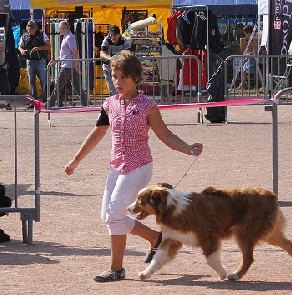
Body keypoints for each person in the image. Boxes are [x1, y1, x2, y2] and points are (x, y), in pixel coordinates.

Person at [64, 51, 203, 282]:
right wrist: (76, 160)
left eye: (123, 77)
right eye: (114, 76)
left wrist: (188, 148)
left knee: (113, 214)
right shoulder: (109, 104)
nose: (117, 82)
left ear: (136, 78)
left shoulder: (148, 106)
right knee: (107, 215)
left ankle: (116, 269)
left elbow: (165, 135)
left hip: (139, 166)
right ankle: (156, 239)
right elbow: (97, 134)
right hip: (116, 166)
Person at [47, 20, 88, 108]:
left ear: (63, 28)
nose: (59, 30)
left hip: (67, 66)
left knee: (58, 85)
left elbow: (75, 52)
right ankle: (85, 102)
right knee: (76, 86)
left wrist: (76, 66)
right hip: (69, 65)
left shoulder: (70, 38)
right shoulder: (67, 37)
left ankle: (50, 103)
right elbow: (65, 54)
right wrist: (56, 61)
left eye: (59, 28)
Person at [18, 20, 51, 109]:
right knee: (31, 83)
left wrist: (38, 48)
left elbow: (48, 46)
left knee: (44, 82)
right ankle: (33, 102)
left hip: (40, 61)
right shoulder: (24, 36)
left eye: (32, 28)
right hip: (30, 61)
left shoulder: (42, 34)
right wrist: (22, 51)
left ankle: (45, 100)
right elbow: (20, 46)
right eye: (29, 29)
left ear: (35, 28)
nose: (30, 30)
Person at [100, 25, 133, 96]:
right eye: (111, 34)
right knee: (113, 91)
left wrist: (120, 58)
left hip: (119, 69)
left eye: (114, 35)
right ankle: (116, 104)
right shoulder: (106, 39)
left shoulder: (124, 41)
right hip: (108, 69)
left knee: (120, 89)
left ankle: (120, 103)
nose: (112, 37)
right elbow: (102, 54)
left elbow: (129, 53)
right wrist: (111, 58)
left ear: (119, 35)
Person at [237, 25, 264, 92]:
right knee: (245, 71)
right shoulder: (253, 37)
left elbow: (253, 49)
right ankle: (241, 85)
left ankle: (263, 85)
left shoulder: (253, 38)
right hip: (250, 56)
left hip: (252, 57)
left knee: (256, 72)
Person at [0, 34, 12, 110]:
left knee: (5, 86)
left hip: (2, 67)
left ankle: (7, 103)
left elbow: (1, 48)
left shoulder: (2, 41)